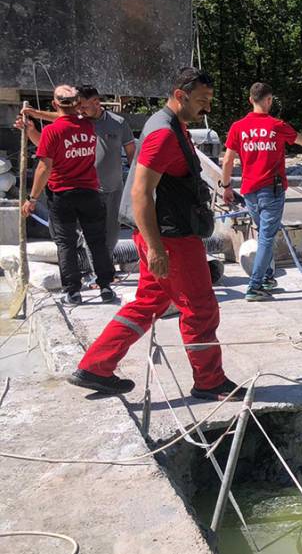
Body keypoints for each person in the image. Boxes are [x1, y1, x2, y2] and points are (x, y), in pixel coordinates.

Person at [70, 67, 246, 400]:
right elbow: (140, 192)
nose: (206, 108)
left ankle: (95, 367)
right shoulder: (164, 133)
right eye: (201, 100)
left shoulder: (168, 124)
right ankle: (209, 381)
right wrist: (155, 248)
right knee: (200, 307)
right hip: (170, 238)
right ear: (180, 95)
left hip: (165, 233)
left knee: (149, 302)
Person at [220, 82, 302, 302]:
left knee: (261, 232)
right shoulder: (276, 125)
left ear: (250, 100)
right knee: (266, 237)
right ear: (269, 100)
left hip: (249, 190)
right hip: (271, 191)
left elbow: (227, 160)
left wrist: (226, 187)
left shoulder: (238, 127)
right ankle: (254, 286)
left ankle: (266, 277)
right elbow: (300, 140)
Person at [18, 85, 115, 305]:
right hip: (90, 193)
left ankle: (73, 290)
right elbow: (56, 135)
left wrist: (32, 199)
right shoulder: (89, 126)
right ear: (78, 105)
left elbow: (45, 166)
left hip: (63, 195)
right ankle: (106, 286)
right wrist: (33, 124)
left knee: (66, 243)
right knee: (97, 241)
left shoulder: (53, 131)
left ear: (54, 104)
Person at [18, 86, 136, 266]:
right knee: (64, 232)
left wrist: (135, 184)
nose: (78, 110)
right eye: (77, 106)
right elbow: (51, 144)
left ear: (97, 103)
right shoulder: (78, 122)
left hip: (111, 188)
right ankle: (89, 272)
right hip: (81, 189)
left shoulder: (118, 123)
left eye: (83, 107)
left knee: (108, 233)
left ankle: (99, 273)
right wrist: (33, 119)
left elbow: (132, 154)